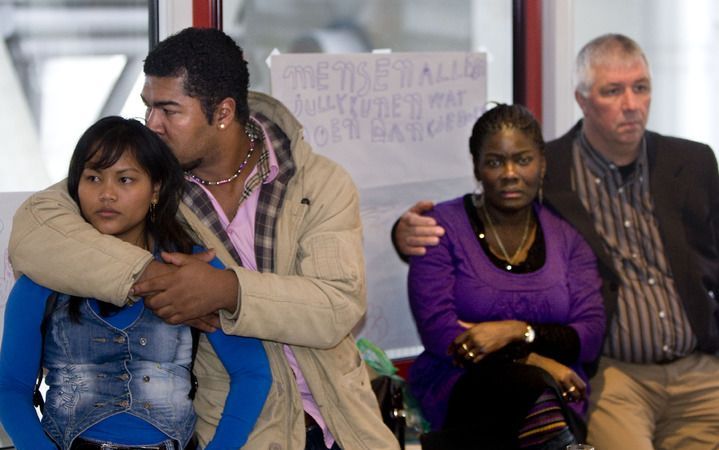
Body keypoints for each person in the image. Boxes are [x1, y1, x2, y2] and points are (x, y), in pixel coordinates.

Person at [9, 28, 398, 450]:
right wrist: (155, 276)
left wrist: (225, 289)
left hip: (340, 420)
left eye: (169, 110)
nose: (152, 125)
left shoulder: (319, 182)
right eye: (148, 107)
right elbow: (36, 231)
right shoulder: (143, 186)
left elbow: (338, 305)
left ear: (223, 112)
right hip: (239, 430)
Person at [394, 34, 719, 450]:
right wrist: (401, 234)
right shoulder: (552, 169)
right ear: (582, 100)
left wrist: (520, 337)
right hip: (614, 375)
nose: (631, 104)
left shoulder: (691, 162)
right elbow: (466, 240)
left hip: (697, 366)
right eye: (612, 91)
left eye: (641, 87)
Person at [0, 116, 270, 450]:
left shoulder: (191, 267)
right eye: (93, 178)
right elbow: (11, 387)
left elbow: (252, 374)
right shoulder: (45, 275)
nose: (107, 194)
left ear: (155, 189)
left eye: (125, 179)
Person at [407, 104, 605, 449]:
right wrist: (536, 359)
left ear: (542, 164)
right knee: (533, 391)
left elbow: (588, 337)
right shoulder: (441, 229)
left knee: (537, 397)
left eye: (523, 160)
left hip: (558, 390)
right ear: (477, 167)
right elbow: (441, 333)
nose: (510, 173)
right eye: (495, 161)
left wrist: (517, 332)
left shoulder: (568, 239)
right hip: (461, 384)